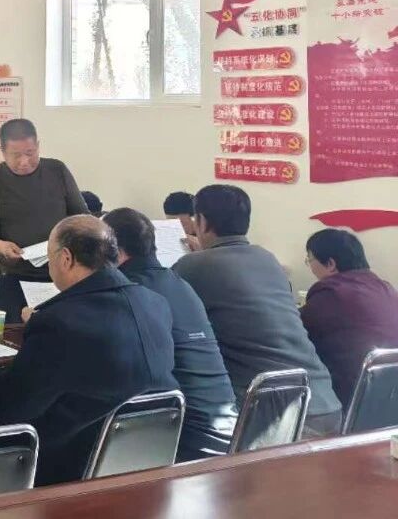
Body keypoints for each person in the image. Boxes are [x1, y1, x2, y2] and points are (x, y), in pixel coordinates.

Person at [0, 215, 177, 486]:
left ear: (66, 258)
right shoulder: (156, 304)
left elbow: (13, 405)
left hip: (72, 466)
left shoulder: (59, 321)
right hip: (149, 458)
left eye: (49, 258)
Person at [174, 185, 341, 435]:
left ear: (202, 222)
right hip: (324, 402)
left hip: (273, 416)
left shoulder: (191, 266)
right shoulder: (267, 258)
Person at [104, 207, 238, 460]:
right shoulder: (179, 283)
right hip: (227, 431)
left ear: (117, 252)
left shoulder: (132, 293)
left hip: (185, 439)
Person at [0, 119, 88, 323]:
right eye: (16, 155)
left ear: (38, 146)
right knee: (16, 334)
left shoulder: (57, 170)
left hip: (60, 275)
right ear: (3, 151)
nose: (24, 161)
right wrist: (0, 245)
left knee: (59, 332)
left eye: (30, 153)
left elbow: (81, 216)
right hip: (14, 276)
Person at [301, 229, 398, 405]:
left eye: (310, 260)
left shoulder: (331, 293)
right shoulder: (386, 289)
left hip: (352, 400)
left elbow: (295, 331)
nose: (310, 266)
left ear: (330, 263)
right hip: (390, 399)